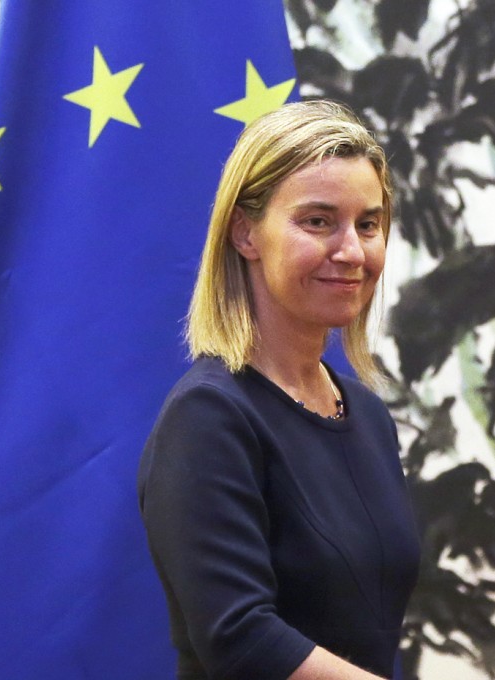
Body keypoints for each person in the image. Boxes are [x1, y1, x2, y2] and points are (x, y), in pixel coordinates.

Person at [138, 100, 420, 680]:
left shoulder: (365, 414)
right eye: (317, 221)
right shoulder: (209, 415)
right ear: (246, 233)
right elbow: (240, 640)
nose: (351, 251)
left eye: (368, 224)